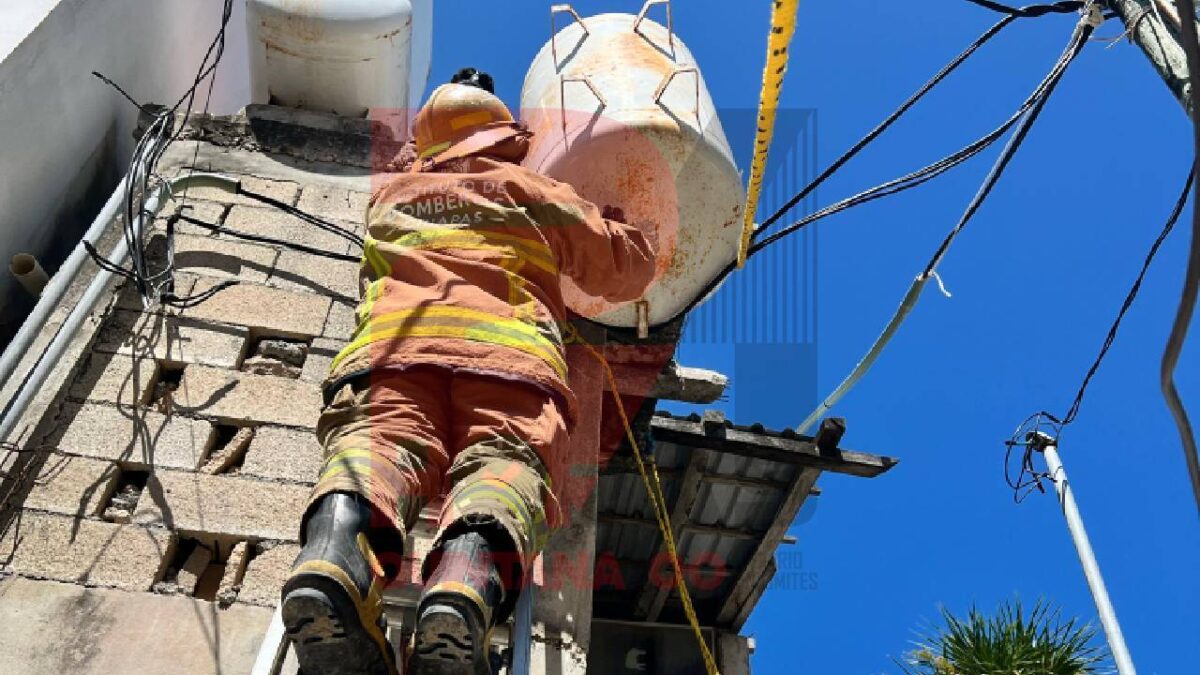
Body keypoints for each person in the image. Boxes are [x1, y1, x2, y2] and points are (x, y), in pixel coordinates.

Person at [281, 75, 657, 675]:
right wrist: (622, 224)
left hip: (392, 354)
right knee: (503, 466)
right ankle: (462, 585)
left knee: (378, 452)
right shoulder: (527, 188)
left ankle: (332, 559)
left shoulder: (392, 196)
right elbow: (622, 269)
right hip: (508, 360)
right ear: (502, 135)